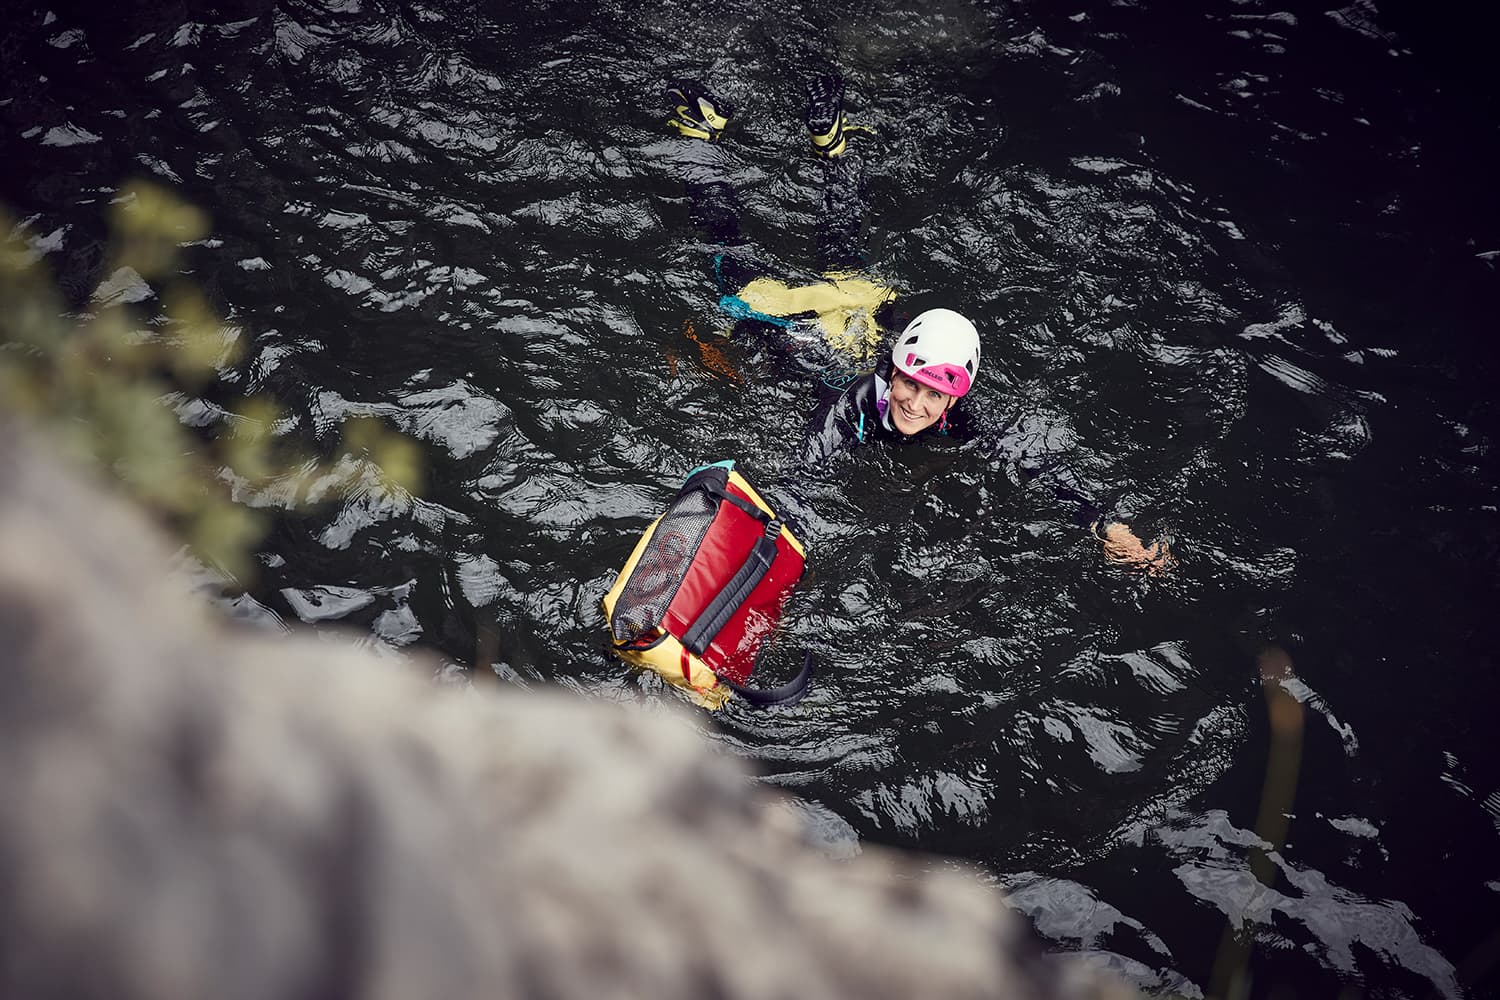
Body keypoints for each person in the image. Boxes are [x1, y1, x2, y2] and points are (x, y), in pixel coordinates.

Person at [664, 75, 1174, 575]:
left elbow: (1042, 469)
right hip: (793, 321)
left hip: (862, 311)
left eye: (934, 394)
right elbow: (801, 477)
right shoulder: (856, 404)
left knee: (843, 250)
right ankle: (700, 133)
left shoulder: (965, 412)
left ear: (955, 398)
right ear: (893, 372)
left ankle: (833, 147)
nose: (915, 403)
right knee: (724, 249)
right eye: (910, 383)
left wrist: (1108, 525)